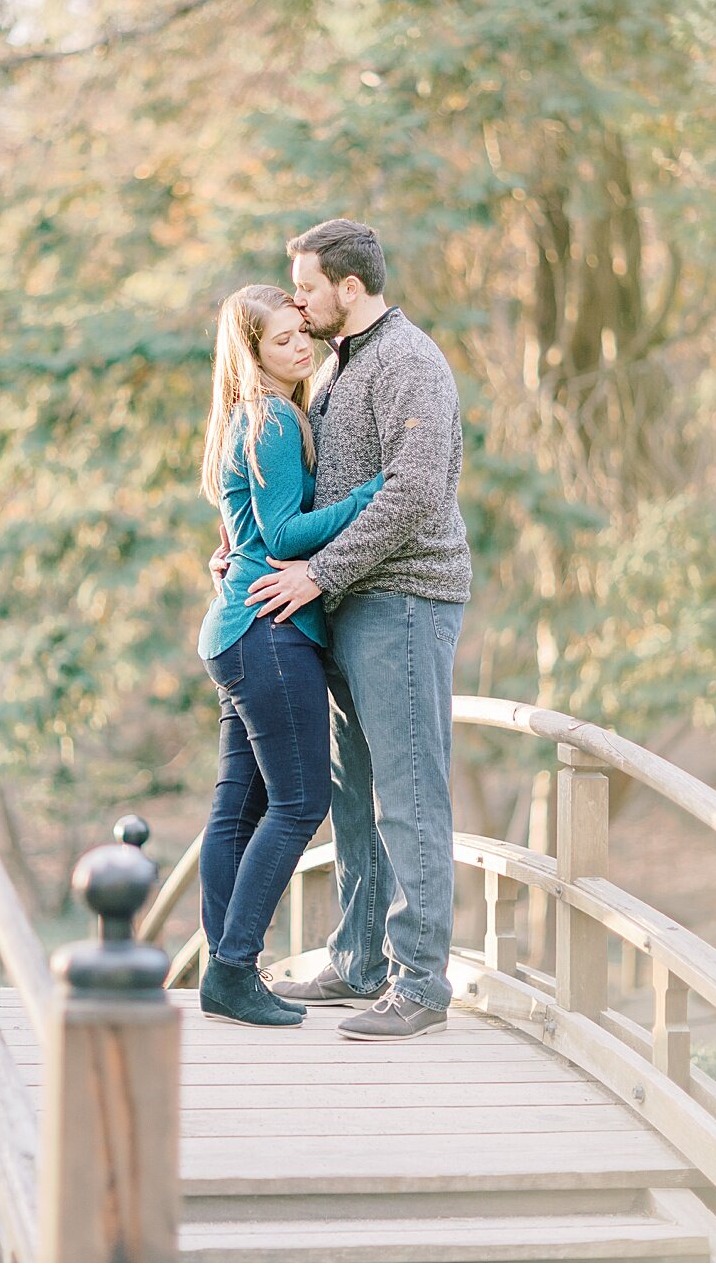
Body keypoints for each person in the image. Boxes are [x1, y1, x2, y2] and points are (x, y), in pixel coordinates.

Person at [246, 219, 472, 1041]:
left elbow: (411, 495)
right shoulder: (344, 365)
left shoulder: (410, 363)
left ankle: (421, 984)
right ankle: (361, 960)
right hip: (347, 605)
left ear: (350, 285)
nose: (297, 304)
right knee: (353, 793)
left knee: (408, 793)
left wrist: (323, 574)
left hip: (403, 600)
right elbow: (311, 498)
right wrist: (244, 556)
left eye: (306, 287)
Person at [196, 283, 384, 1027]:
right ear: (252, 352)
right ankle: (234, 968)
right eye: (280, 341)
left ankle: (224, 969)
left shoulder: (254, 416)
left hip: (237, 630)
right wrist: (372, 492)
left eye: (302, 333)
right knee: (300, 802)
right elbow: (281, 537)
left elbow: (244, 534)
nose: (300, 348)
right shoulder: (272, 417)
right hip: (267, 632)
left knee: (236, 809)